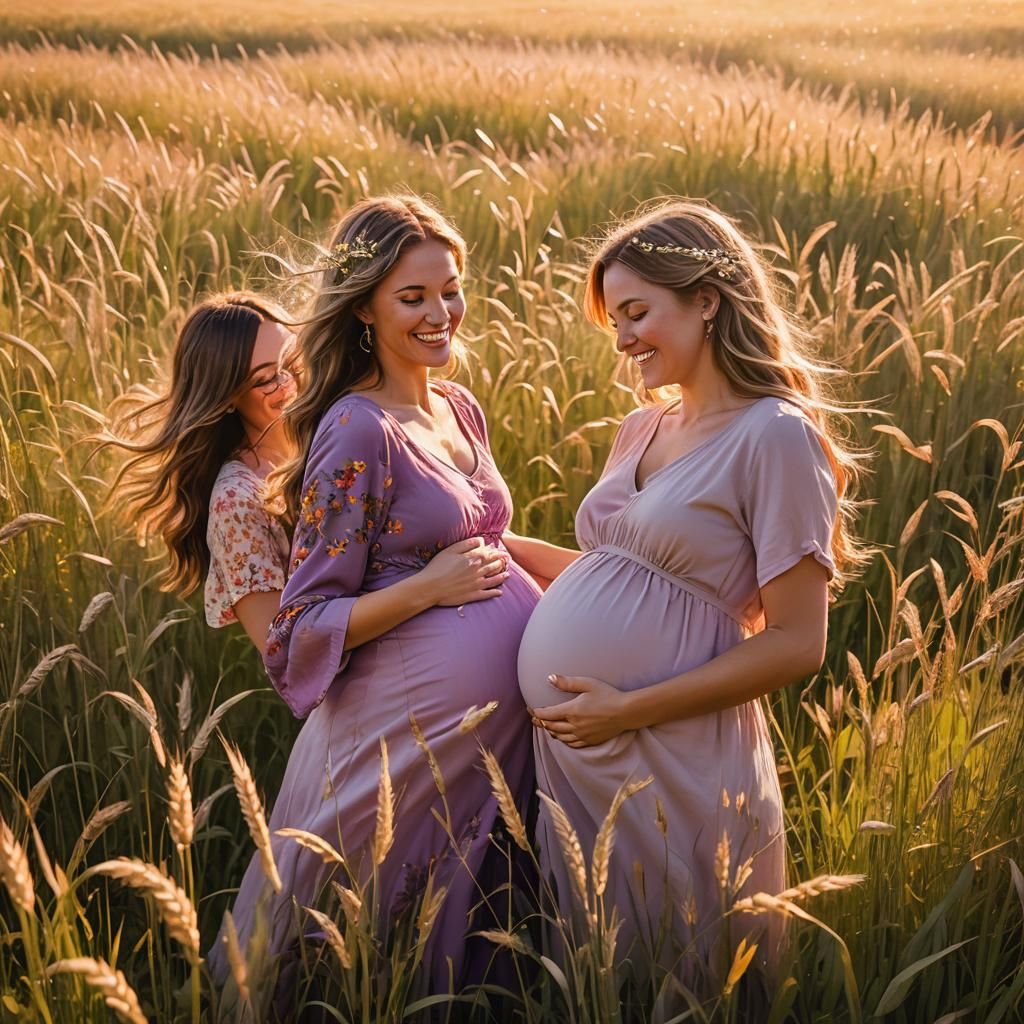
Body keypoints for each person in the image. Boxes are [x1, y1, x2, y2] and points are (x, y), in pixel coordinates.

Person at [509, 199, 866, 995]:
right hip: (583, 757)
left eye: (638, 312)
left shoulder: (775, 434)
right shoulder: (642, 428)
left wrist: (627, 710)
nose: (625, 337)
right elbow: (626, 578)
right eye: (616, 321)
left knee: (685, 974)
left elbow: (796, 641)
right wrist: (492, 544)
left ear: (706, 299)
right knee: (600, 976)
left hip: (672, 750)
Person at [209, 194, 542, 993]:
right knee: (352, 946)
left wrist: (621, 562)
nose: (441, 313)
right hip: (402, 743)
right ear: (364, 306)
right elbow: (303, 623)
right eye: (413, 296)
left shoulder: (458, 406)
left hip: (484, 746)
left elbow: (490, 543)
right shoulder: (357, 430)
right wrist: (429, 588)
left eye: (451, 289)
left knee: (468, 941)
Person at [101, 291, 297, 647]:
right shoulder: (237, 500)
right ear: (226, 399)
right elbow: (283, 648)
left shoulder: (337, 432)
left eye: (294, 360)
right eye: (267, 378)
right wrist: (420, 591)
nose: (292, 382)